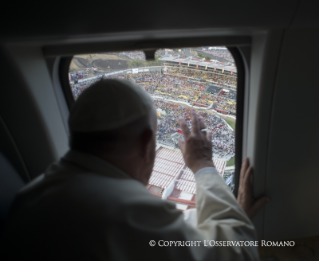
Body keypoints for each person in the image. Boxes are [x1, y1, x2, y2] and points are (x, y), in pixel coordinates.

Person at [1, 79, 269, 260]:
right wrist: (202, 164)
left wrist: (226, 214)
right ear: (146, 142)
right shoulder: (121, 211)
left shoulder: (34, 194)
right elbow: (241, 251)